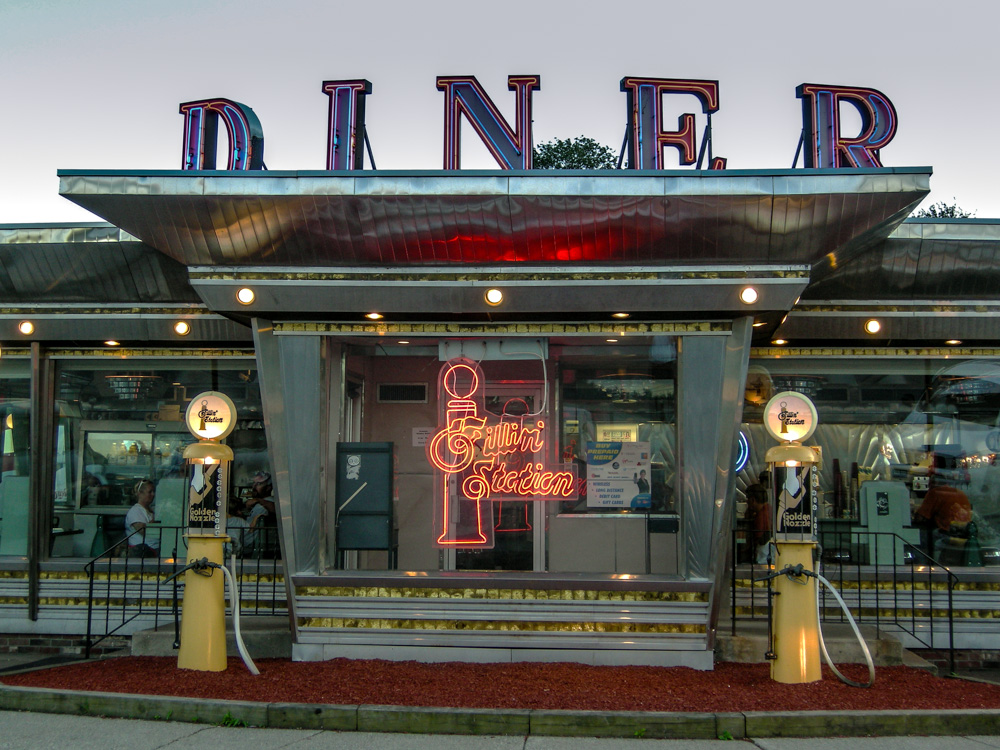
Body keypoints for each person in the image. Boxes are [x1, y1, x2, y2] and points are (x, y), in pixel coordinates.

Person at [914, 473, 973, 557]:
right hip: (965, 532)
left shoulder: (935, 493)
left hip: (946, 533)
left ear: (931, 483)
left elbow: (919, 518)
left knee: (918, 537)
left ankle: (923, 561)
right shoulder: (960, 493)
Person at [124, 478, 159, 558]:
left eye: (153, 492)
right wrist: (157, 520)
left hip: (157, 547)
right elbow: (143, 530)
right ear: (140, 493)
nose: (153, 494)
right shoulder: (135, 511)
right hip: (143, 552)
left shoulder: (152, 510)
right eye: (150, 492)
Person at [744, 483, 772, 565]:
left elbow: (758, 538)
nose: (746, 501)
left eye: (747, 498)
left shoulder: (761, 516)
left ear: (752, 500)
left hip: (763, 558)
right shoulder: (769, 509)